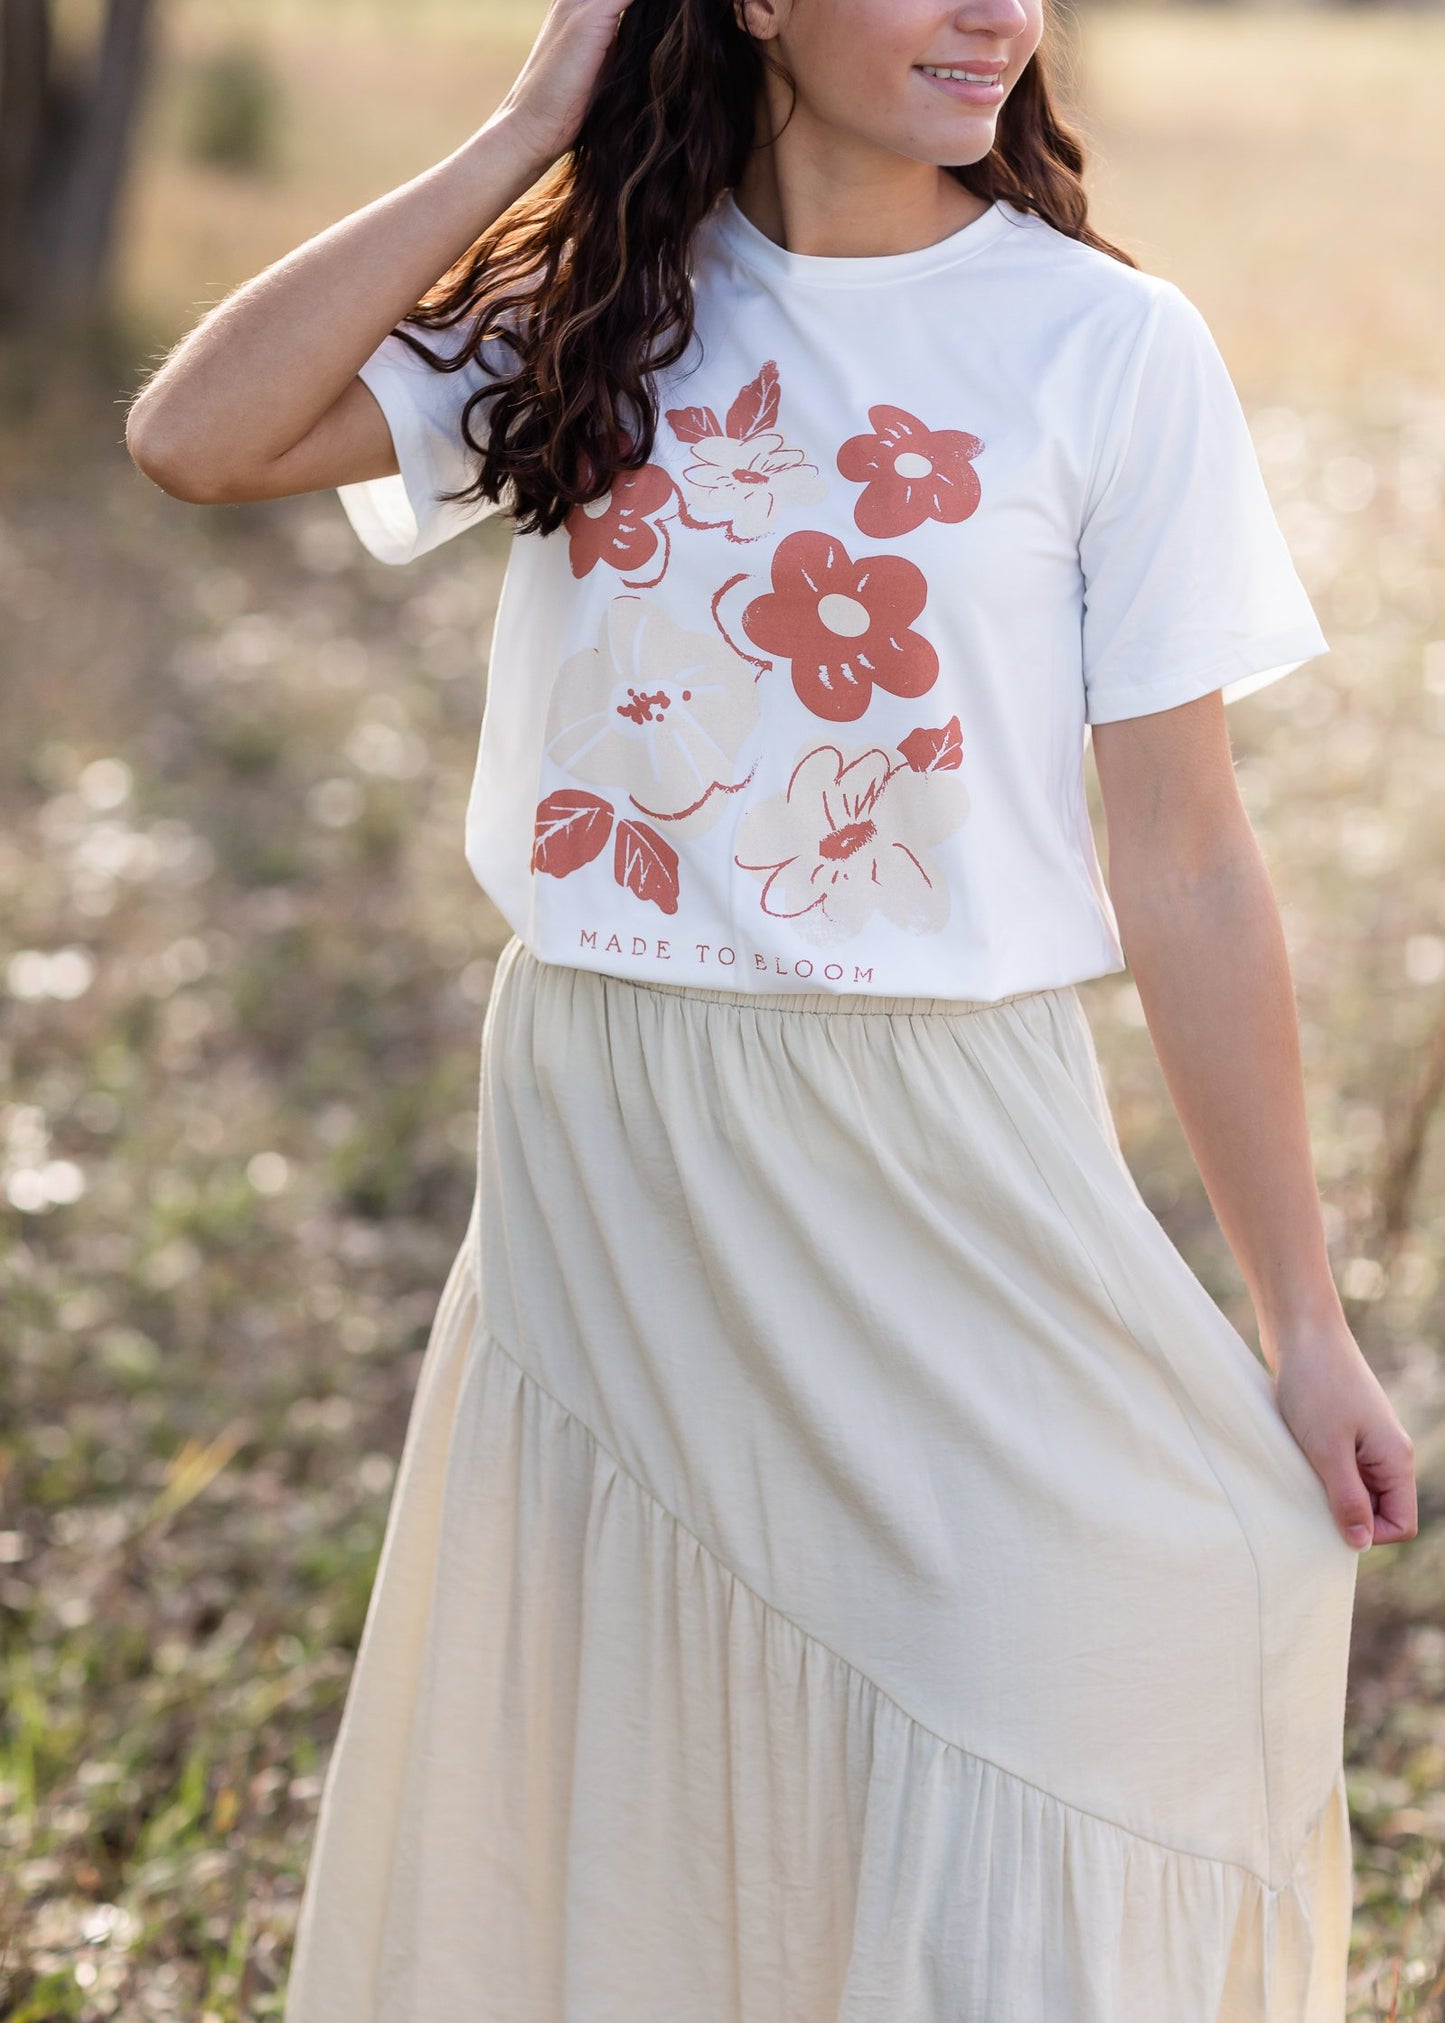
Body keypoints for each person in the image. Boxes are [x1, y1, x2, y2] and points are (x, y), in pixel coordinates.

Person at [125, 0, 1418, 2013]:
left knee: (1130, 1620)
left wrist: (1304, 1322)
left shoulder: (1100, 344)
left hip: (950, 1136)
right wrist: (523, 127)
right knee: (638, 1735)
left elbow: (1186, 857)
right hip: (618, 1127)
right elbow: (193, 437)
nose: (999, 11)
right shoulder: (601, 305)